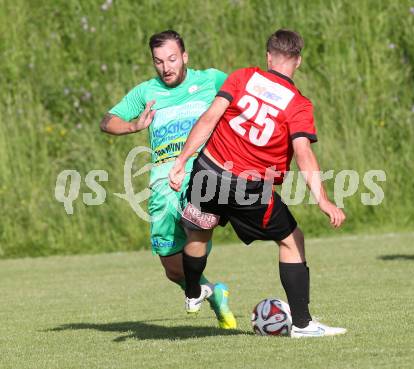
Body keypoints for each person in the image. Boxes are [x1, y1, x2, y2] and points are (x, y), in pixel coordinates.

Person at [169, 29, 347, 337]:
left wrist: (182, 160)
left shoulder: (242, 77)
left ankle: (194, 290)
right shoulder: (298, 104)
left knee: (199, 229)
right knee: (292, 240)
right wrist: (323, 200)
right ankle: (303, 324)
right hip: (247, 187)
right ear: (298, 61)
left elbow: (210, 117)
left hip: (207, 168)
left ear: (268, 56)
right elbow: (303, 152)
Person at [100, 30, 236, 329]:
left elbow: (244, 100)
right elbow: (107, 121)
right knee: (172, 269)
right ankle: (213, 294)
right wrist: (135, 124)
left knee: (196, 226)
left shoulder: (211, 80)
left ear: (185, 56)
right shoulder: (146, 92)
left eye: (172, 59)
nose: (166, 67)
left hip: (202, 174)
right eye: (159, 61)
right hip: (161, 185)